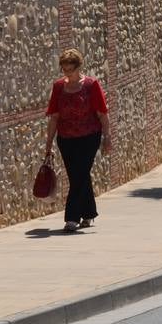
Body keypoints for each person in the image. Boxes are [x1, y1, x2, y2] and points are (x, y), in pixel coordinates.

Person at [43, 49, 111, 233]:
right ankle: (89, 213)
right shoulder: (58, 87)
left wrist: (107, 137)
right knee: (77, 176)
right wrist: (48, 144)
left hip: (89, 137)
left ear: (79, 67)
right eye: (64, 70)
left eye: (70, 70)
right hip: (66, 139)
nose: (67, 74)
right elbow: (54, 117)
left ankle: (71, 217)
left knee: (80, 174)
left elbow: (102, 114)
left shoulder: (91, 85)